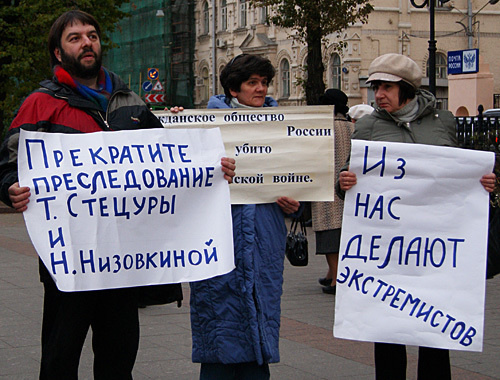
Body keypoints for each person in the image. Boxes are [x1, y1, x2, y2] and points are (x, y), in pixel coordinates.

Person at [0, 10, 235, 380]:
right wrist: (9, 187)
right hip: (71, 260)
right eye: (74, 38)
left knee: (119, 359)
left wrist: (207, 166)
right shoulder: (41, 103)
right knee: (59, 361)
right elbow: (9, 162)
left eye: (91, 35)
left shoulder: (130, 101)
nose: (86, 42)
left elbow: (169, 164)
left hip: (123, 262)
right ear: (59, 53)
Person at [337, 53, 497, 380]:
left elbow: (460, 175)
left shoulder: (444, 122)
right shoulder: (367, 126)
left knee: (436, 333)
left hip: (433, 254)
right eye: (375, 86)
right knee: (387, 333)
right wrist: (344, 182)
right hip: (387, 254)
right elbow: (350, 182)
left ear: (407, 88)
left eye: (386, 87)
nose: (377, 94)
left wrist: (483, 182)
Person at [189, 54, 300, 380]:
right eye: (253, 82)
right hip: (219, 236)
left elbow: (300, 179)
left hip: (264, 237)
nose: (261, 89)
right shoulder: (205, 128)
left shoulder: (283, 126)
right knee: (219, 316)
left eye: (264, 82)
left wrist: (295, 205)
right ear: (233, 89)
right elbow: (182, 183)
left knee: (261, 310)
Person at [311, 89, 354, 295]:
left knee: (329, 236)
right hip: (348, 187)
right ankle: (331, 274)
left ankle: (337, 278)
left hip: (325, 187)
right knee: (343, 232)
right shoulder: (353, 128)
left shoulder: (321, 128)